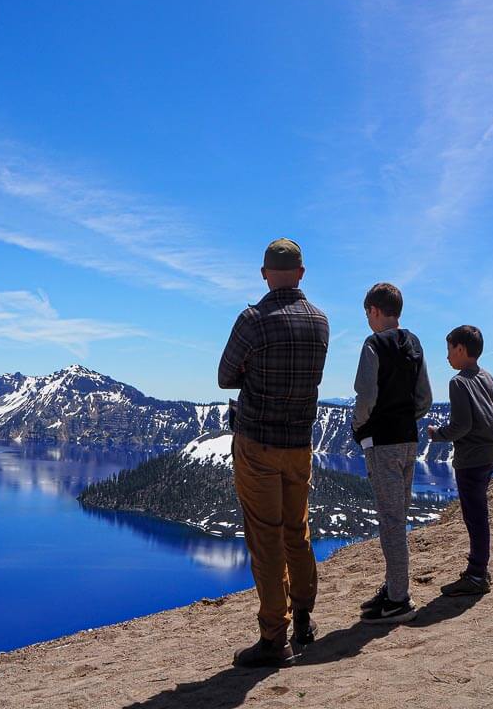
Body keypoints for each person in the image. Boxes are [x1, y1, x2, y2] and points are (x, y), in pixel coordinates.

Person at [218, 238, 329, 668]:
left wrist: (252, 370)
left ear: (264, 273)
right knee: (296, 531)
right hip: (300, 444)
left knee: (265, 540)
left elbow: (226, 375)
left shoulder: (253, 320)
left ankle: (273, 638)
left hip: (258, 444)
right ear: (301, 273)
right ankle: (303, 620)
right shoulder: (320, 322)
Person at [352, 282, 432, 624]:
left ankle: (398, 598)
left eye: (367, 314)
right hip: (409, 440)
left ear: (374, 310)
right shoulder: (414, 343)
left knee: (391, 521)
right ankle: (392, 587)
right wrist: (404, 418)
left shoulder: (373, 344)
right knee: (398, 515)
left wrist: (359, 426)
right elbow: (425, 397)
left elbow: (366, 394)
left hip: (382, 443)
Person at [427, 325, 493, 595]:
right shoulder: (488, 377)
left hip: (472, 459)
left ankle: (476, 575)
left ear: (461, 349)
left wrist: (437, 434)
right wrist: (489, 437)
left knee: (474, 516)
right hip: (490, 454)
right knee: (479, 512)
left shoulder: (459, 382)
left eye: (449, 349)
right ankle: (478, 570)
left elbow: (461, 425)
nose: (447, 356)